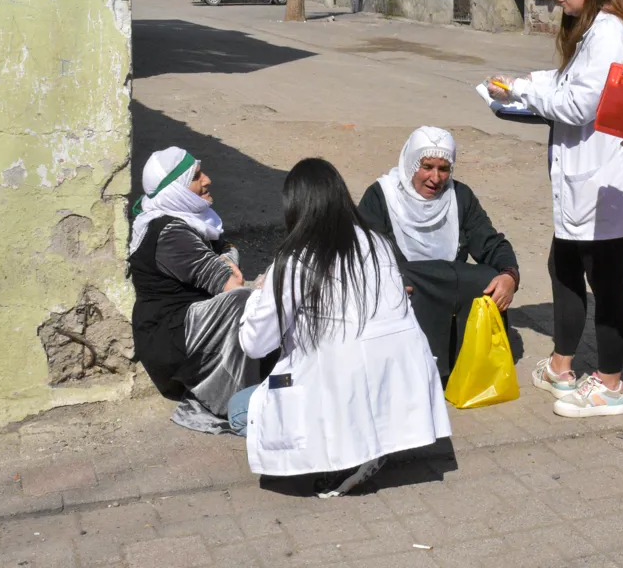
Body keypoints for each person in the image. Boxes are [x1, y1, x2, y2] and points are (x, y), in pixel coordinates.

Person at [486, 0, 623, 418]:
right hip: (589, 180)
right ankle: (562, 366)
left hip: (605, 182)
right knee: (564, 266)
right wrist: (522, 83)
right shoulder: (596, 31)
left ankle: (609, 385)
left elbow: (578, 103)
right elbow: (569, 82)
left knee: (607, 280)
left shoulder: (610, 32)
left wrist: (525, 93)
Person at [237, 158, 451, 497]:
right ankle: (374, 439)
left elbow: (254, 344)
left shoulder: (294, 260)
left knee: (240, 410)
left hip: (340, 383)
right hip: (399, 378)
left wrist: (258, 293)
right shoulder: (377, 243)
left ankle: (343, 460)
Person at [357, 127, 520, 378]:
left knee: (489, 278)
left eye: (443, 169)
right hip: (406, 294)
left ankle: (465, 368)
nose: (436, 178)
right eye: (427, 166)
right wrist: (389, 282)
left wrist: (509, 276)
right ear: (411, 163)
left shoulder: (459, 196)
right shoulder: (381, 197)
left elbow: (489, 242)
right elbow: (364, 253)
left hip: (447, 291)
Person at [128, 147, 263, 433]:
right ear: (176, 188)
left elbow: (227, 248)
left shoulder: (195, 221)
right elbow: (231, 284)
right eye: (197, 176)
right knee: (241, 301)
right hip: (170, 341)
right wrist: (227, 262)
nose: (207, 180)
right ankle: (232, 405)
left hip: (192, 330)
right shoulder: (170, 233)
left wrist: (227, 258)